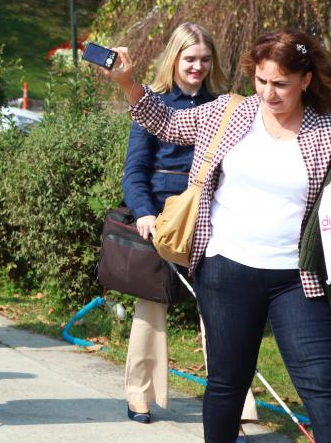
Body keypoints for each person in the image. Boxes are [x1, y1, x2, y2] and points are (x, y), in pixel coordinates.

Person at [103, 29, 331, 442]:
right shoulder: (230, 112)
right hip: (226, 269)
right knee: (227, 383)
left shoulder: (325, 131)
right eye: (261, 80)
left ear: (306, 80)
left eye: (281, 84)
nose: (269, 93)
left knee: (321, 386)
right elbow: (167, 123)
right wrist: (129, 83)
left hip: (296, 279)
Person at [120, 24, 258, 428]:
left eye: (205, 59)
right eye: (190, 58)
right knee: (151, 305)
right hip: (164, 218)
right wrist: (144, 212)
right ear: (174, 59)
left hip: (212, 216)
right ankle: (139, 392)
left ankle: (237, 406)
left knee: (223, 310)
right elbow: (134, 171)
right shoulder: (152, 102)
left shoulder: (224, 106)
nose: (198, 66)